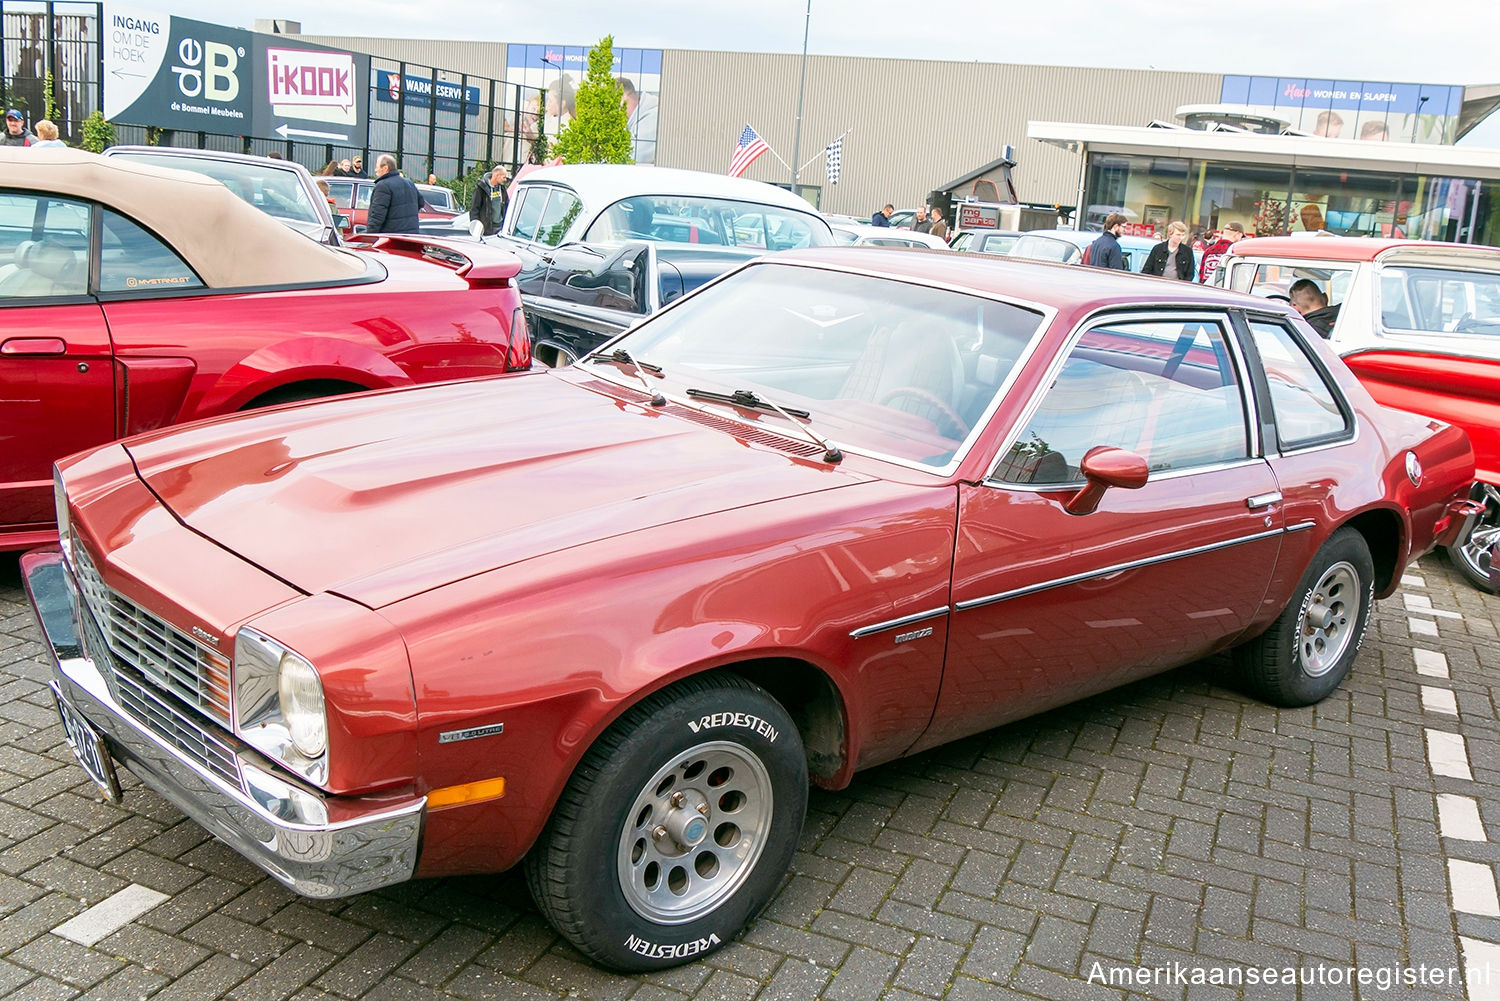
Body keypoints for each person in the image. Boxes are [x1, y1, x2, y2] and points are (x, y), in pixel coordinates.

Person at [366, 153, 423, 234]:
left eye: (377, 167)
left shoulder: (383, 185)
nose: (375, 170)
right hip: (411, 236)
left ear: (385, 168)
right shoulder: (409, 183)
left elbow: (377, 216)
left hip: (391, 237)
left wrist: (370, 235)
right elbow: (421, 203)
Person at [617, 77, 657, 164]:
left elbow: (637, 157)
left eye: (616, 106)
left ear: (625, 97)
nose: (615, 112)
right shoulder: (634, 119)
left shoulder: (653, 116)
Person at [469, 165, 509, 236]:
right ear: (496, 175)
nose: (505, 180)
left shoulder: (502, 189)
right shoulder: (481, 188)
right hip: (486, 230)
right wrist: (476, 228)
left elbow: (507, 206)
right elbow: (474, 209)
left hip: (500, 228)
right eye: (504, 177)